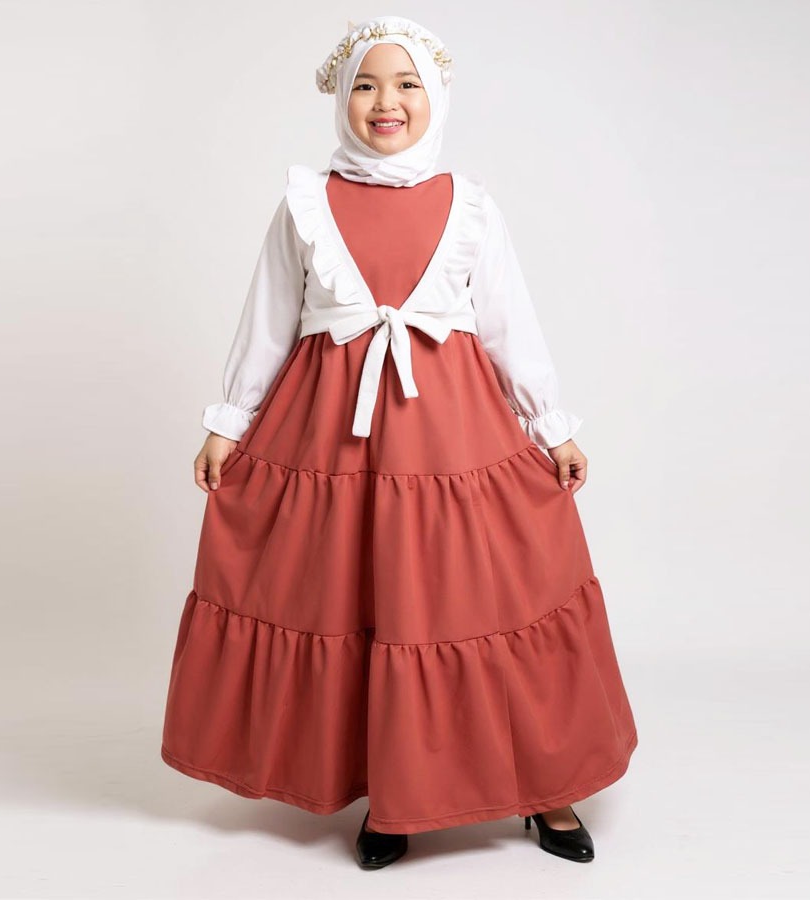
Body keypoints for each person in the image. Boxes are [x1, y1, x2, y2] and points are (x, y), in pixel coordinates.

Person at [161, 14, 638, 869]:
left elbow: (508, 322)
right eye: (367, 85)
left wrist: (549, 423)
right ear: (343, 99)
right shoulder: (306, 204)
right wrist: (227, 421)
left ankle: (545, 788)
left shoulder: (471, 206)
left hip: (454, 442)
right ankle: (394, 796)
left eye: (407, 83)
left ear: (436, 95)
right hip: (334, 443)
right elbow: (267, 320)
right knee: (362, 609)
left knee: (486, 601)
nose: (387, 102)